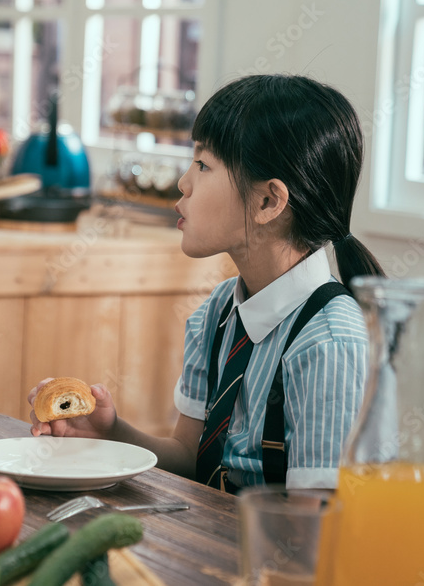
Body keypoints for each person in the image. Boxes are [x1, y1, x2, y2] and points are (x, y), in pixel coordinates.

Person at [28, 74, 385, 492]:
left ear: (268, 202)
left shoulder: (329, 343)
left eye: (202, 164)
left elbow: (318, 531)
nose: (183, 183)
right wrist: (112, 433)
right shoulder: (218, 312)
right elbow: (191, 456)